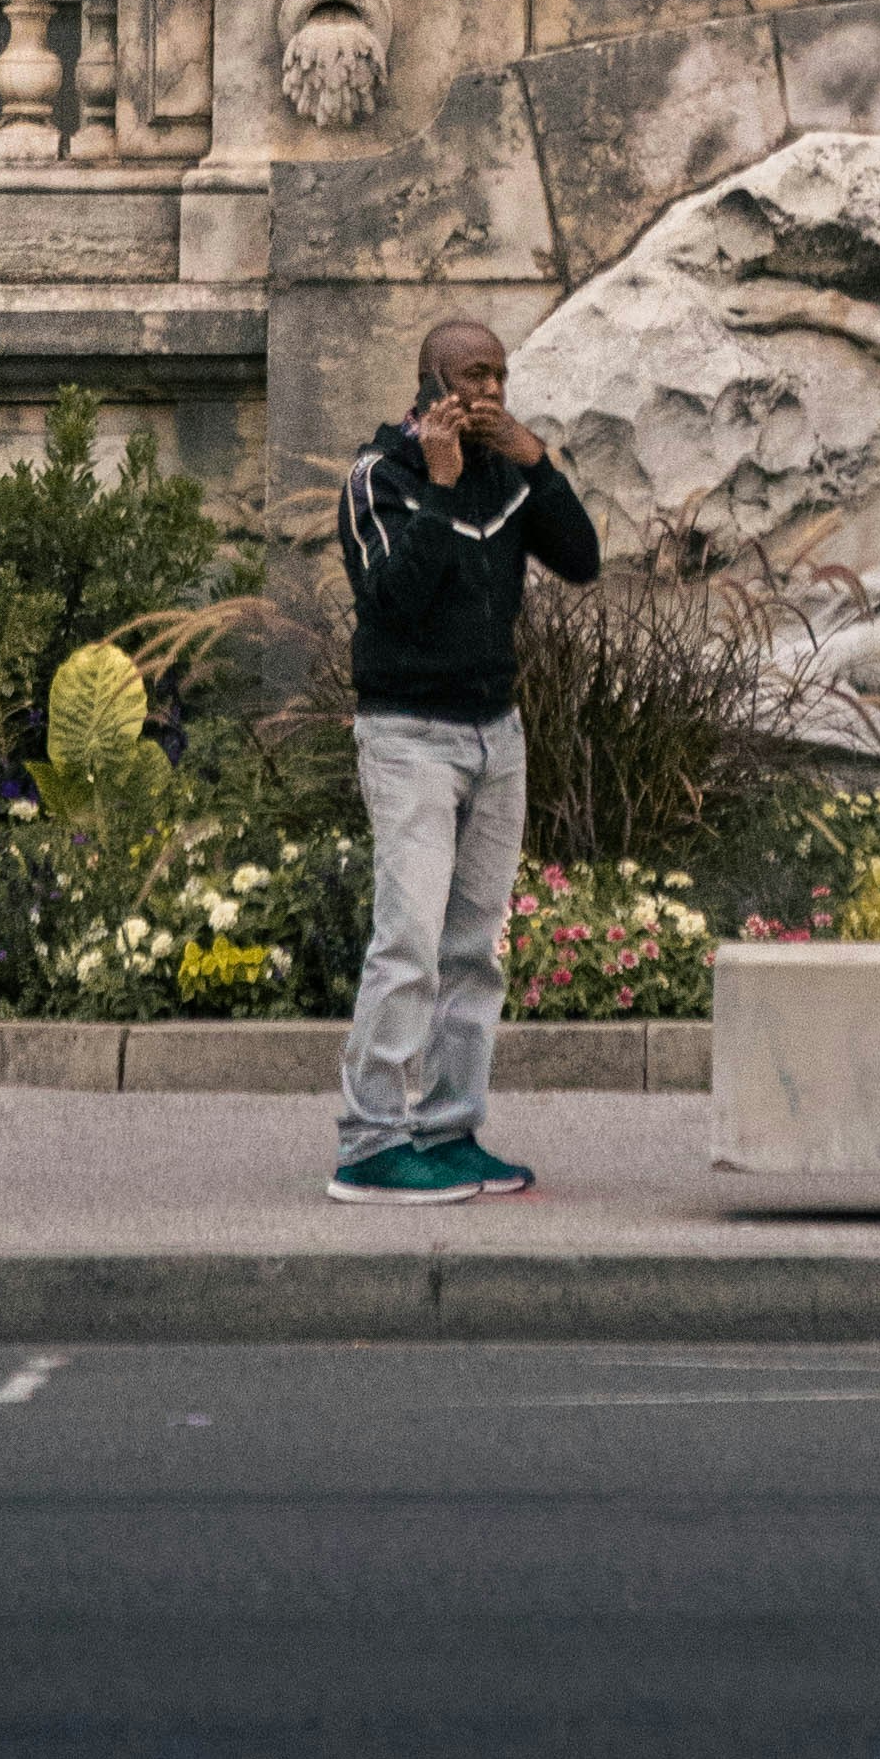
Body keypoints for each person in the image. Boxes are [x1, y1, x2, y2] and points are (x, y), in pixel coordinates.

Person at [329, 314, 601, 1210]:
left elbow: (582, 560)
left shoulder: (504, 474)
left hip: (497, 732)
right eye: (472, 377)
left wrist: (536, 460)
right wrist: (442, 489)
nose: (487, 392)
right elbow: (395, 601)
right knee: (406, 941)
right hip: (410, 733)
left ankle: (448, 1131)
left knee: (473, 949)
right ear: (429, 383)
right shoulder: (381, 477)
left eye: (499, 377)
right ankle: (370, 1143)